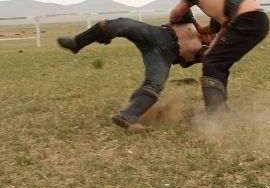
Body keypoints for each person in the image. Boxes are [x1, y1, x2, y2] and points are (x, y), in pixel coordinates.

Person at [56, 18, 211, 130]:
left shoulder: (207, 51)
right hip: (155, 34)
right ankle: (76, 43)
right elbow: (176, 13)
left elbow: (185, 62)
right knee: (118, 24)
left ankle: (127, 115)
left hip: (164, 56)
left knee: (154, 84)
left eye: (215, 38)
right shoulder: (189, 21)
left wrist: (205, 52)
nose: (212, 37)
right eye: (213, 32)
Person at [169, 0, 269, 114]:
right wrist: (198, 27)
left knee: (212, 61)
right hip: (259, 20)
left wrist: (179, 20)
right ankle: (219, 107)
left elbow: (175, 15)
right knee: (217, 62)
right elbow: (212, 28)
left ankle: (215, 113)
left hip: (246, 20)